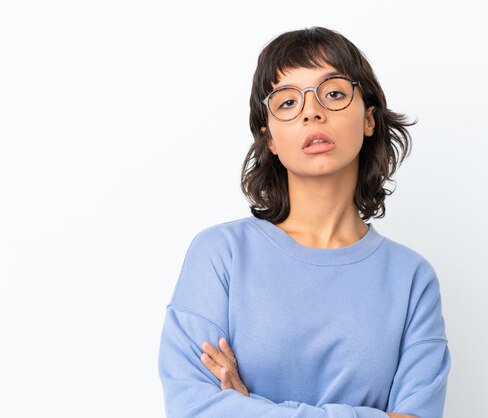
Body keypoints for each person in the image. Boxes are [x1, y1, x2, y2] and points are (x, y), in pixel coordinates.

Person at [158, 26, 451, 418]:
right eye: (287, 102)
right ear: (271, 138)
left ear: (369, 119)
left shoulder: (412, 279)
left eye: (333, 93)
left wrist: (248, 408)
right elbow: (192, 408)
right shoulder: (220, 256)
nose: (312, 111)